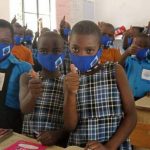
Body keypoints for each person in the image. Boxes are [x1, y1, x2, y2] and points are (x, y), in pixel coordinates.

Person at [63, 20, 137, 149]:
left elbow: (131, 115)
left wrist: (109, 147)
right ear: (68, 47)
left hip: (115, 146)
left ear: (100, 50)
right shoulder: (69, 80)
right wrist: (70, 93)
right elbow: (70, 126)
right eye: (75, 49)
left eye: (89, 50)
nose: (81, 55)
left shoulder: (115, 71)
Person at [20, 31, 68, 146]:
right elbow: (24, 110)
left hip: (54, 145)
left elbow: (71, 121)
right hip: (27, 142)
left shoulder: (67, 82)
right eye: (44, 51)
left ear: (64, 54)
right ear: (36, 53)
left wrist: (57, 134)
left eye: (56, 51)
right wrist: (32, 94)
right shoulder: (27, 78)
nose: (50, 55)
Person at [0, 19, 32, 133]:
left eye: (4, 41)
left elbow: (28, 109)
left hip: (11, 132)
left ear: (12, 43)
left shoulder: (23, 68)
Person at [119, 33, 150, 100]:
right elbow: (119, 65)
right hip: (128, 97)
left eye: (146, 46)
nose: (142, 48)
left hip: (145, 98)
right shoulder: (129, 60)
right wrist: (127, 52)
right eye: (139, 45)